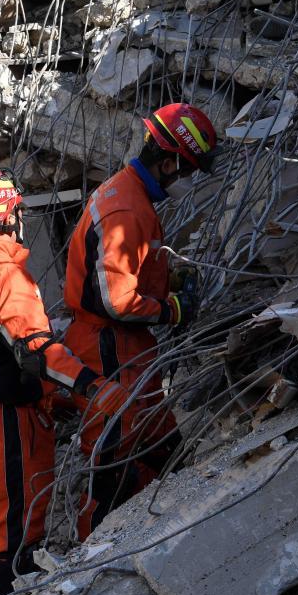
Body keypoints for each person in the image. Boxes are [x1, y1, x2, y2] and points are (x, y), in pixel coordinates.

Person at [0, 166, 129, 595]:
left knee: (10, 537)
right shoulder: (3, 274)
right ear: (10, 216)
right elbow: (36, 348)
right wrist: (91, 386)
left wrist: (47, 395)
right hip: (3, 423)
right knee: (8, 547)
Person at [62, 103, 218, 539]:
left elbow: (126, 272)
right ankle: (91, 553)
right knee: (114, 457)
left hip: (127, 345)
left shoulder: (128, 194)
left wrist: (166, 278)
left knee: (161, 445)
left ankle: (163, 533)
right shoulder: (126, 211)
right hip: (109, 347)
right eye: (188, 171)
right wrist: (172, 308)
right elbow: (116, 300)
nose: (189, 180)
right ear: (168, 163)